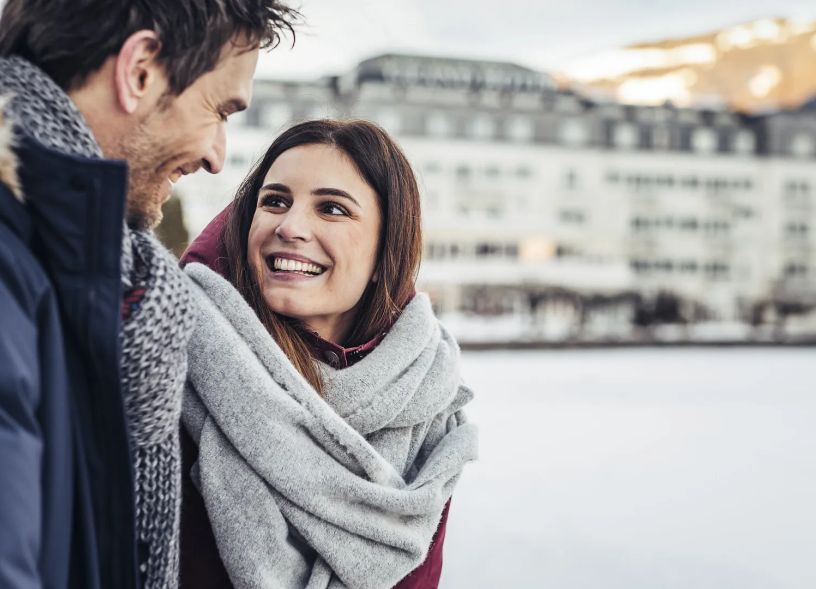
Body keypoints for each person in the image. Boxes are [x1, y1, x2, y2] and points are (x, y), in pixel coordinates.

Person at [0, 1, 298, 587]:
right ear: (140, 71)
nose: (217, 157)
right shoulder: (15, 276)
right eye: (218, 110)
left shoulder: (93, 281)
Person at [178, 119, 479, 588]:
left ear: (385, 253)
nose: (291, 227)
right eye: (275, 201)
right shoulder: (175, 362)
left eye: (332, 209)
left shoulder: (423, 406)